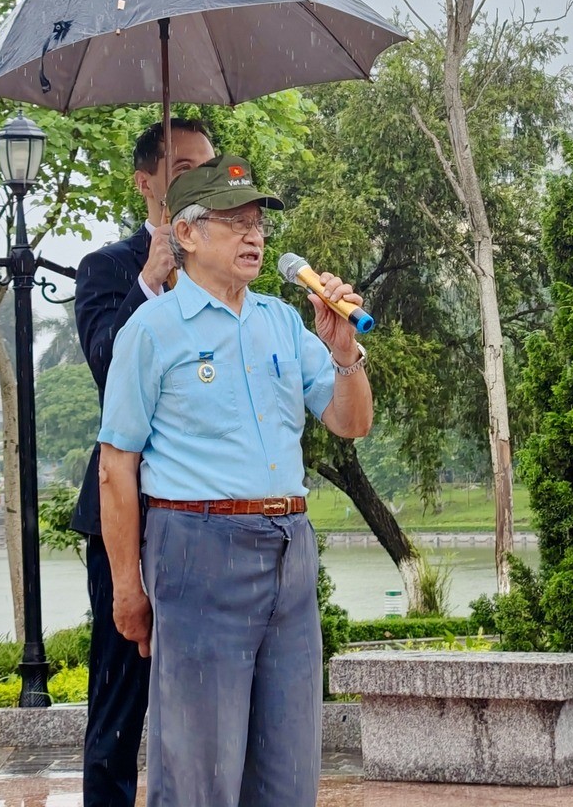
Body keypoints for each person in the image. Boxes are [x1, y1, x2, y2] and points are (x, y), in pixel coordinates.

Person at [96, 157, 373, 807]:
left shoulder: (281, 321)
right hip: (197, 548)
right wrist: (128, 589)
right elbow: (117, 467)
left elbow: (348, 422)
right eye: (234, 222)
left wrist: (343, 353)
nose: (254, 236)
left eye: (258, 223)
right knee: (198, 776)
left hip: (289, 551)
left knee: (287, 774)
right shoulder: (152, 330)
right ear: (186, 235)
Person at [70, 117, 217, 807]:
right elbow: (107, 364)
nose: (197, 176)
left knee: (210, 699)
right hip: (127, 516)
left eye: (207, 164)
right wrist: (150, 284)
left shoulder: (220, 272)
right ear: (146, 181)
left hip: (211, 517)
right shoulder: (107, 269)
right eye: (183, 164)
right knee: (121, 694)